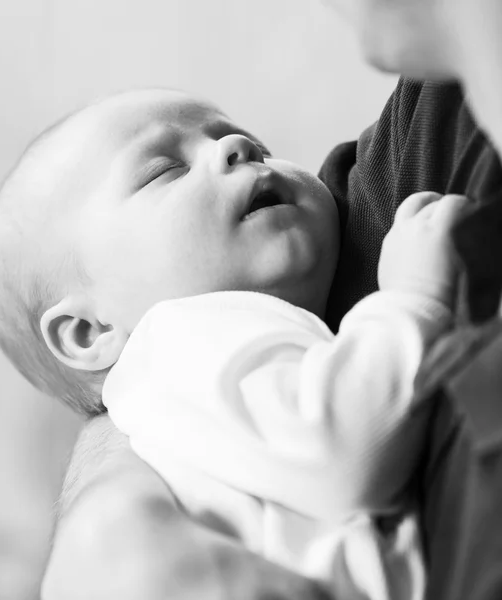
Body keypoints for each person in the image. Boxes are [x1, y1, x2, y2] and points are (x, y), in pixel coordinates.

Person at [39, 1, 502, 599]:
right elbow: (342, 446)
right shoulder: (189, 337)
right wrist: (413, 298)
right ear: (87, 332)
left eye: (251, 141)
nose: (235, 146)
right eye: (162, 172)